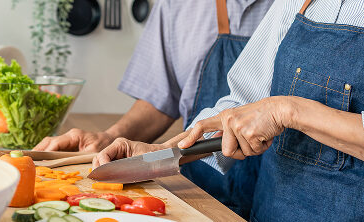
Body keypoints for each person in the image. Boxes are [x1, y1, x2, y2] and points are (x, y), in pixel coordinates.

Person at [95, 0, 364, 220]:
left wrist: (288, 110)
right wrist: (161, 154)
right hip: (272, 211)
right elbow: (241, 103)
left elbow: (275, 111)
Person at [34, 0, 273, 218]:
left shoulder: (298, 7)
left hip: (279, 193)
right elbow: (161, 98)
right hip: (195, 188)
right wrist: (109, 138)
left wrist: (163, 151)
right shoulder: (176, 5)